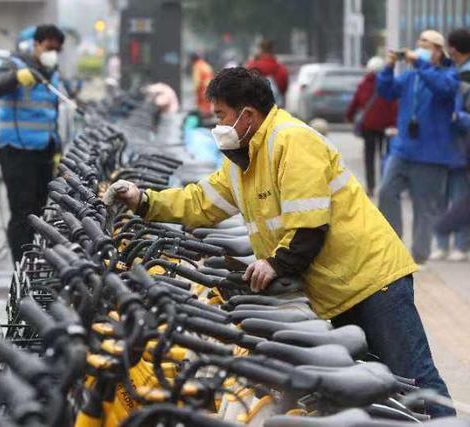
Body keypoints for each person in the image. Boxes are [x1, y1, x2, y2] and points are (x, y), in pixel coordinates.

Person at [105, 67, 454, 418]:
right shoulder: (243, 160)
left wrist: (274, 265)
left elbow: (309, 227)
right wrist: (143, 200)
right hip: (335, 287)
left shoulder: (291, 141)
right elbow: (200, 202)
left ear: (247, 115)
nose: (217, 126)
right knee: (374, 393)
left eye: (221, 116)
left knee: (416, 382)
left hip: (371, 279)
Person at [376, 30, 463, 264]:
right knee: (386, 192)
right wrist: (388, 67)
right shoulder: (410, 76)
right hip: (403, 149)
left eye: (427, 45)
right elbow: (386, 91)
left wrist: (420, 64)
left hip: (431, 154)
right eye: (419, 44)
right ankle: (393, 246)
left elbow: (444, 89)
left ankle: (419, 256)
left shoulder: (449, 75)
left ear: (439, 51)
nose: (421, 48)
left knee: (424, 207)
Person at [0, 24, 64, 263]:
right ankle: (21, 266)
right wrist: (16, 78)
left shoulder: (52, 73)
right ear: (36, 44)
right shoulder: (15, 65)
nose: (52, 53)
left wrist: (57, 149)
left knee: (39, 212)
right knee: (22, 211)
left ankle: (32, 261)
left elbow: (52, 115)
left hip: (44, 151)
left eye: (57, 49)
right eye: (49, 47)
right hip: (17, 150)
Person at [433, 28, 470, 260]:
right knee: (442, 196)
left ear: (453, 48)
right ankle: (443, 244)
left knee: (459, 196)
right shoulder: (450, 71)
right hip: (444, 144)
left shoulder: (464, 76)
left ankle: (460, 245)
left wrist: (458, 117)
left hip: (460, 145)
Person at [346, 56, 398, 196]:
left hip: (369, 126)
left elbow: (355, 102)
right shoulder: (389, 84)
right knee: (385, 157)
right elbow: (395, 105)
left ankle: (370, 186)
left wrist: (349, 116)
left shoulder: (364, 84)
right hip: (387, 126)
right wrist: (395, 123)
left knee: (369, 157)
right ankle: (385, 185)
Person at [190, 52, 214, 118]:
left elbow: (197, 81)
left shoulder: (197, 66)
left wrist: (195, 91)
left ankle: (203, 120)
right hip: (210, 88)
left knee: (202, 109)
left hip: (202, 90)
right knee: (208, 107)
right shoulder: (206, 65)